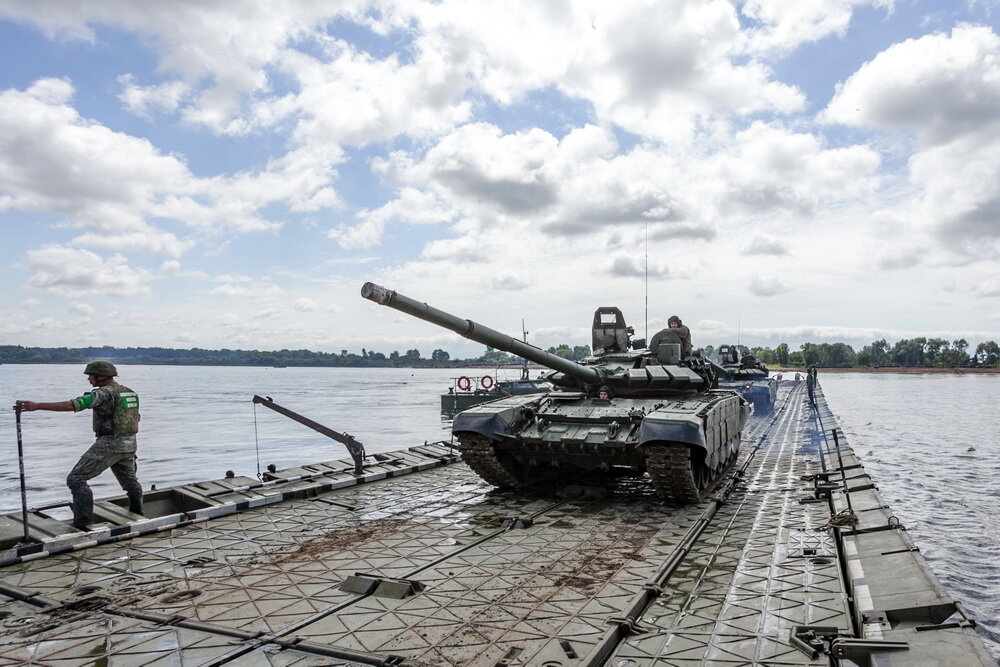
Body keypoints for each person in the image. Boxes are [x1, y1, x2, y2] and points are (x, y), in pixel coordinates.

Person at [14, 361, 143, 530]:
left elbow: (73, 405)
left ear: (102, 376)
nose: (89, 379)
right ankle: (139, 516)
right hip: (129, 443)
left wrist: (37, 406)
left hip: (109, 444)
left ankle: (83, 524)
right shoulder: (129, 392)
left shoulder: (103, 394)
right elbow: (136, 417)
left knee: (76, 479)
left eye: (91, 375)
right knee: (131, 483)